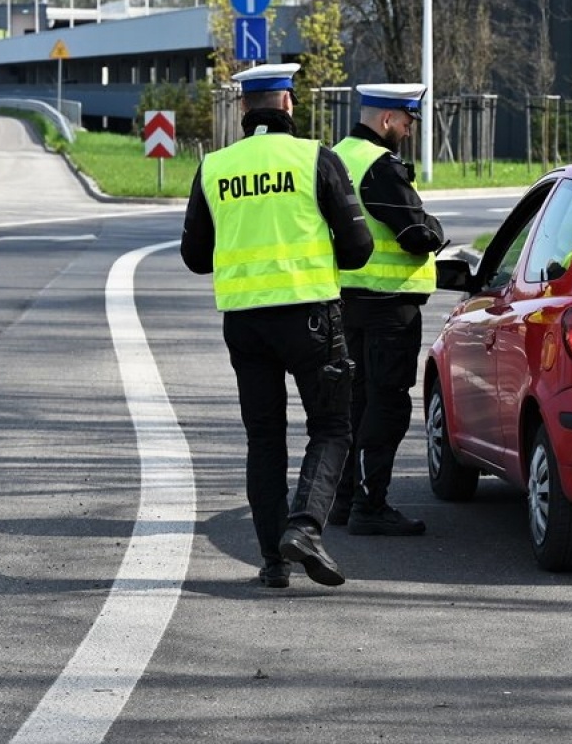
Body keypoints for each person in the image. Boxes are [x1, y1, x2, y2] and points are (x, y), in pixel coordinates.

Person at [180, 62, 374, 588]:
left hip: (244, 325)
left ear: (244, 108)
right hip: (311, 318)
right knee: (332, 427)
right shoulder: (317, 158)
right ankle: (306, 527)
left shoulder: (215, 166)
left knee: (264, 439)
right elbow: (359, 250)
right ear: (288, 103)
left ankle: (273, 561)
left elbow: (195, 257)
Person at [329, 83, 447, 537]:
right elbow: (415, 232)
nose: (409, 129)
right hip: (388, 305)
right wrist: (435, 230)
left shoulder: (335, 157)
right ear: (386, 120)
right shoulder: (380, 166)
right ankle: (370, 504)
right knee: (388, 403)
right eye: (406, 121)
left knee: (355, 400)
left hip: (345, 300)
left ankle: (343, 500)